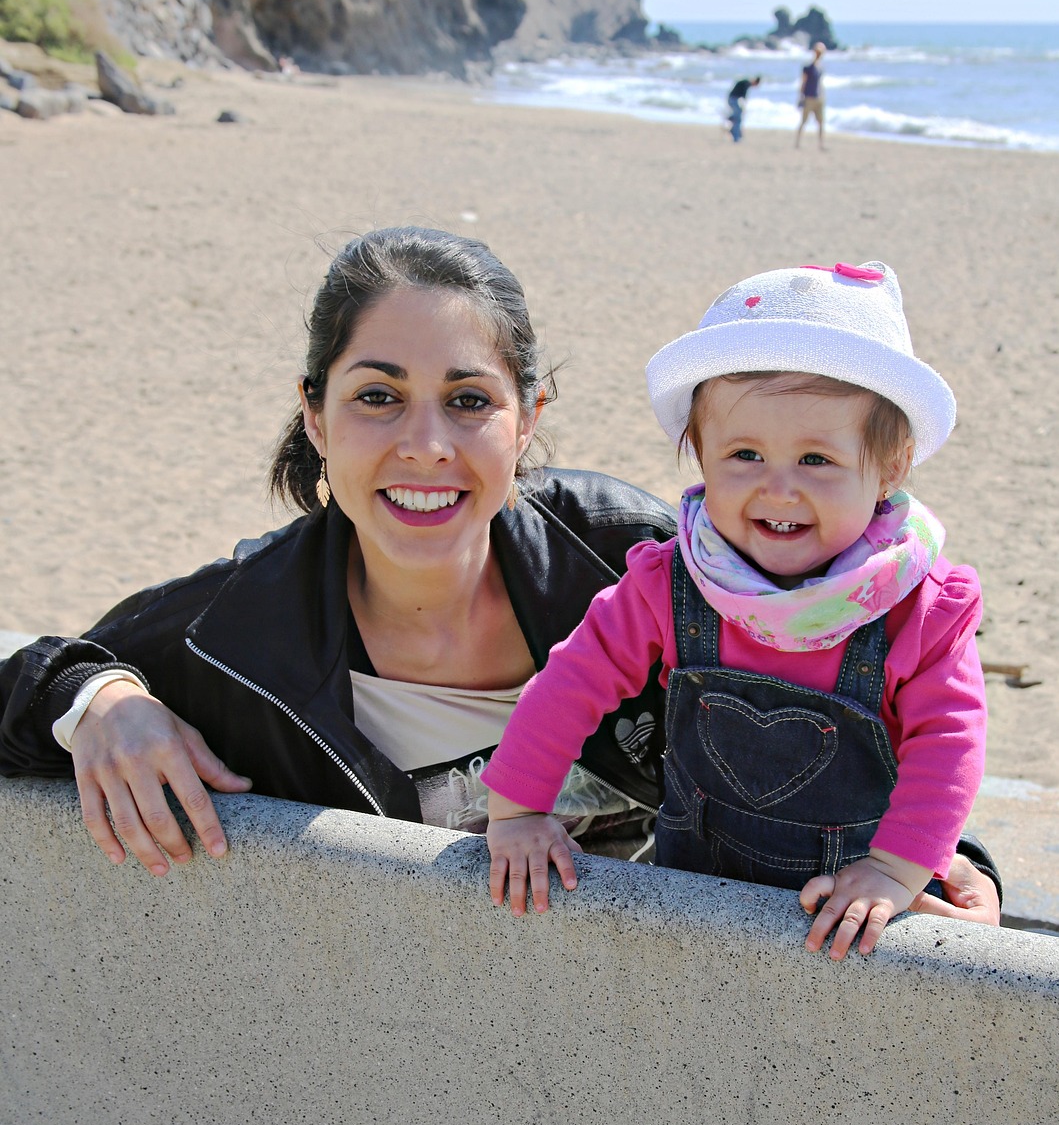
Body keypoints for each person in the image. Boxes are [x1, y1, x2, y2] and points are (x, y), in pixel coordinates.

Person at [0, 232, 998, 929]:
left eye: (469, 399)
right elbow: (31, 675)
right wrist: (97, 700)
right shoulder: (232, 627)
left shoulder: (646, 557)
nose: (425, 444)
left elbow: (886, 713)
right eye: (378, 396)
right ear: (315, 415)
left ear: (527, 418)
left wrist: (962, 870)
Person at [484, 261, 989, 961]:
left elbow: (948, 746)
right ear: (698, 453)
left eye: (815, 460)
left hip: (843, 911)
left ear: (891, 467)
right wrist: (517, 812)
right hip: (694, 899)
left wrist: (894, 871)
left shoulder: (918, 609)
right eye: (743, 454)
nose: (777, 489)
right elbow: (571, 683)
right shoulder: (672, 581)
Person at [795, 42, 826, 150]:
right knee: (803, 121)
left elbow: (820, 84)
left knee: (821, 122)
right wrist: (801, 97)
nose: (820, 54)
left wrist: (822, 95)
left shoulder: (820, 68)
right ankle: (797, 142)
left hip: (818, 98)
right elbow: (803, 83)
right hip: (809, 97)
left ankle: (821, 144)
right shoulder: (808, 68)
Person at [726, 75, 761, 143]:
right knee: (738, 118)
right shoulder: (746, 83)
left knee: (738, 116)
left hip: (733, 99)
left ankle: (732, 122)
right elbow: (743, 97)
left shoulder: (746, 83)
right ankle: (735, 135)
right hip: (733, 99)